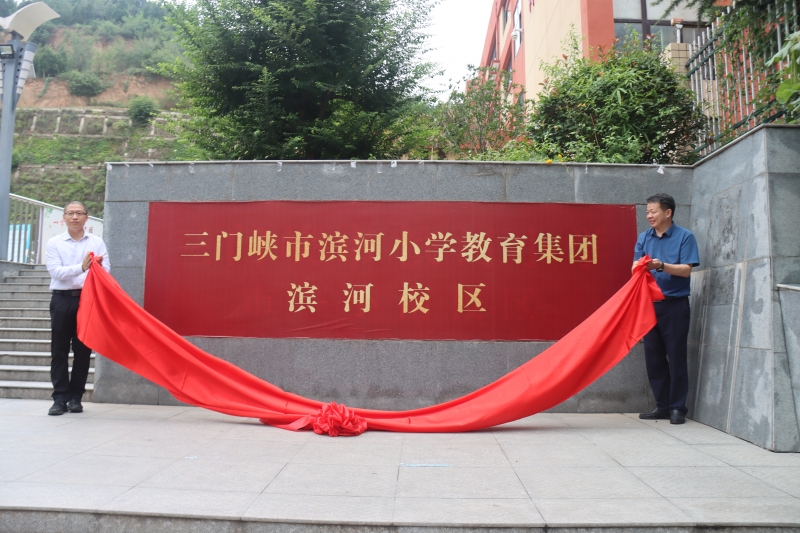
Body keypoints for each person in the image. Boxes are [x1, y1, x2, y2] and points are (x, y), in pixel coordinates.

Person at [633, 193, 699, 425]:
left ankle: (677, 407)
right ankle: (662, 406)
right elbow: (635, 266)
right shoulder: (644, 238)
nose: (649, 216)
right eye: (647, 212)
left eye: (653, 211)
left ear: (668, 212)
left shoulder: (685, 237)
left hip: (674, 306)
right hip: (649, 306)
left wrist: (661, 265)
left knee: (676, 356)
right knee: (654, 358)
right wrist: (640, 267)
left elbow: (686, 270)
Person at [45, 201, 110, 416]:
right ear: (64, 217)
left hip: (87, 300)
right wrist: (82, 267)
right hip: (62, 300)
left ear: (86, 217)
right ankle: (59, 398)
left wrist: (96, 267)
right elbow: (56, 272)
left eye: (79, 213)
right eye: (70, 213)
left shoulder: (96, 242)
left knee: (83, 351)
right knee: (59, 350)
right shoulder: (54, 243)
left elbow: (106, 270)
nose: (75, 217)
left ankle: (75, 398)